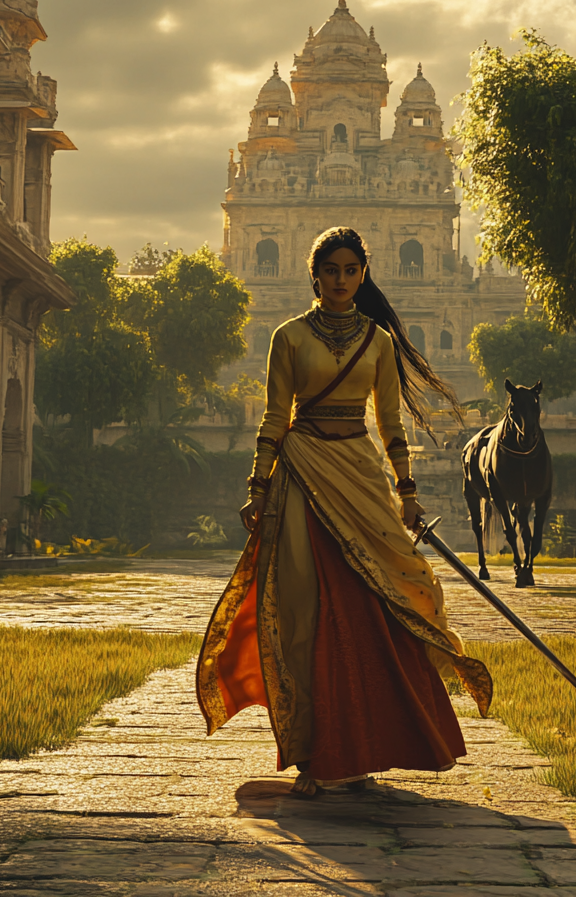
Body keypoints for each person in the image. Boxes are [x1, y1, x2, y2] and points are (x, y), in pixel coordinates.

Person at [196, 226, 492, 797]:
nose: (340, 280)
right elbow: (274, 418)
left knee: (377, 598)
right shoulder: (287, 337)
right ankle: (314, 751)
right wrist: (258, 488)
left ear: (363, 275)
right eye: (330, 270)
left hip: (359, 472)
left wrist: (407, 490)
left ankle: (370, 738)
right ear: (315, 275)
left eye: (350, 270)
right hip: (302, 472)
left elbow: (390, 424)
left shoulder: (378, 342)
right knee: (304, 612)